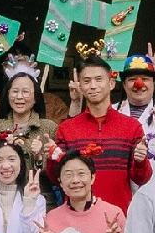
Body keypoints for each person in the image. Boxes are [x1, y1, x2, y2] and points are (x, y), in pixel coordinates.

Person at [50, 56, 148, 216]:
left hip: (119, 217)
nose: (93, 86)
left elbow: (141, 178)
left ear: (111, 83)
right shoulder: (66, 129)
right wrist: (51, 156)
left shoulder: (132, 127)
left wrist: (140, 161)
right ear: (80, 86)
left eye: (98, 79)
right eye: (87, 81)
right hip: (76, 219)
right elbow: (56, 178)